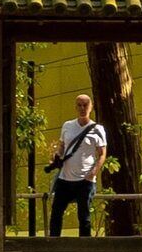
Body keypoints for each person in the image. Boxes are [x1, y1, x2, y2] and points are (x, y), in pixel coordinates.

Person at [47, 95, 109, 236]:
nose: (82, 108)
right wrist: (56, 156)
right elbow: (62, 146)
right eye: (79, 105)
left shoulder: (97, 129)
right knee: (56, 212)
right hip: (65, 178)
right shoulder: (67, 126)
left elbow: (102, 154)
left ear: (91, 107)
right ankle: (53, 243)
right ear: (75, 107)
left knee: (84, 216)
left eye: (85, 105)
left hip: (85, 179)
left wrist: (93, 173)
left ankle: (84, 247)